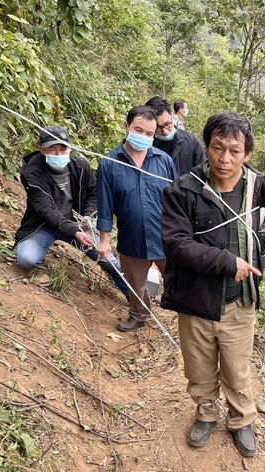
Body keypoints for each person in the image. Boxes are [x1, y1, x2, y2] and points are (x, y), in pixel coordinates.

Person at [160, 111, 265, 457]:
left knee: (237, 366)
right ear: (207, 147)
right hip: (195, 299)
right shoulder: (183, 189)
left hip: (238, 302)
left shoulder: (260, 187)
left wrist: (258, 251)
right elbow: (175, 244)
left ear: (247, 154)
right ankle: (205, 413)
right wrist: (228, 261)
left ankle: (241, 419)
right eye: (218, 148)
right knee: (198, 366)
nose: (225, 159)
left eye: (235, 151)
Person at [14, 125, 129, 299]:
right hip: (43, 226)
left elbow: (93, 195)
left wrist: (87, 216)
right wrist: (74, 231)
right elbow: (46, 210)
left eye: (63, 148)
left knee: (109, 260)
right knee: (26, 259)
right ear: (41, 150)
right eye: (52, 150)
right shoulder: (31, 172)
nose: (59, 155)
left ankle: (134, 298)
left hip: (78, 225)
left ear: (70, 148)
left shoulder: (80, 166)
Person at [96, 106, 178, 331]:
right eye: (138, 130)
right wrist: (104, 240)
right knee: (135, 283)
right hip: (132, 238)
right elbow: (104, 206)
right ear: (126, 126)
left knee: (178, 280)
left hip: (166, 237)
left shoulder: (164, 161)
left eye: (149, 134)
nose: (143, 137)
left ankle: (185, 319)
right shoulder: (109, 164)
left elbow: (178, 200)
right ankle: (138, 315)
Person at [146, 96, 205, 177]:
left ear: (173, 116)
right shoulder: (147, 147)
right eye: (158, 128)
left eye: (167, 124)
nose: (165, 131)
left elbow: (203, 175)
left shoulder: (192, 142)